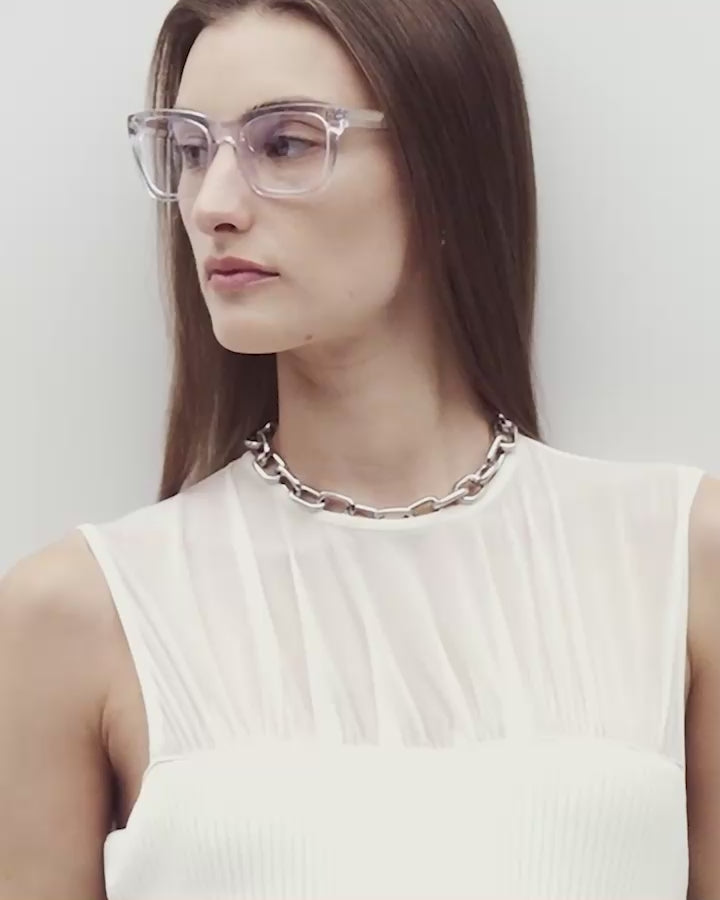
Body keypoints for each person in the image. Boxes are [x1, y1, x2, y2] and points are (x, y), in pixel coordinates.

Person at [1, 0, 718, 897]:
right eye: (189, 150)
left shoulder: (682, 559)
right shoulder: (76, 616)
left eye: (285, 144)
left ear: (443, 164)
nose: (212, 205)